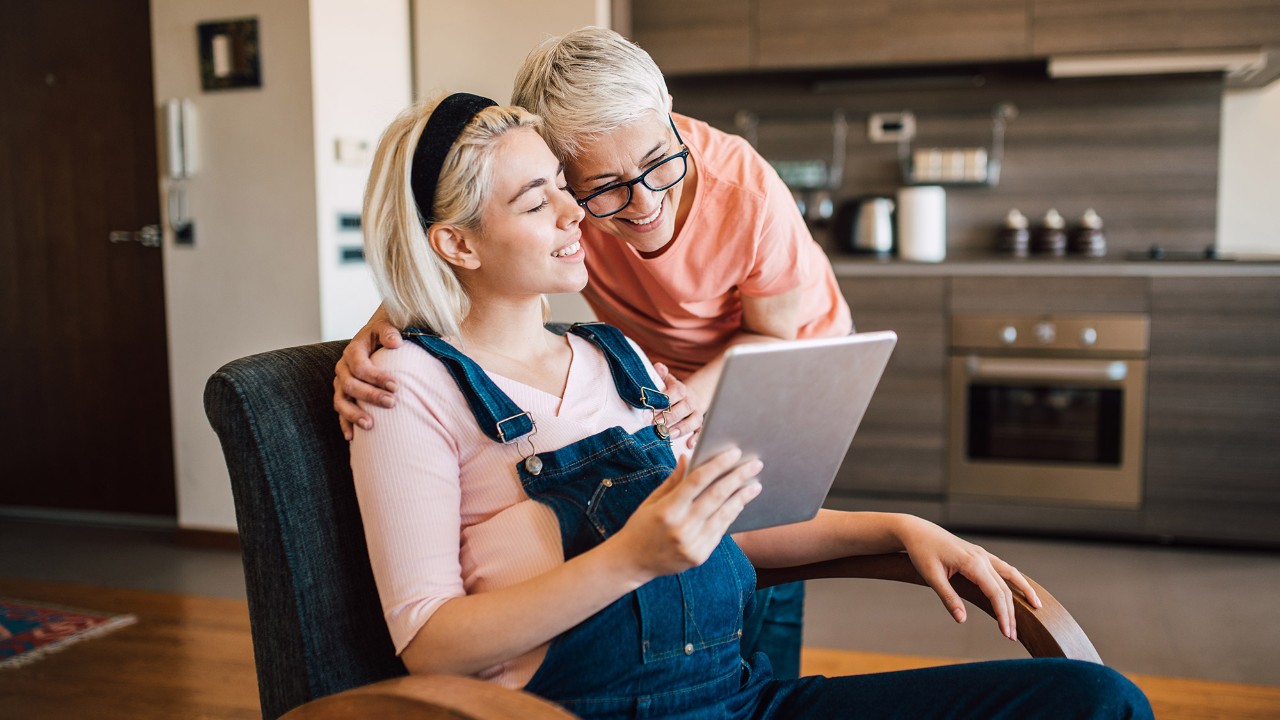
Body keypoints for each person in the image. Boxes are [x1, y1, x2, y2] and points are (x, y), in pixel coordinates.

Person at [347, 91, 1152, 719]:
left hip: (745, 701)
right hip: (582, 712)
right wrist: (631, 557)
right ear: (455, 243)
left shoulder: (617, 355)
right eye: (536, 202)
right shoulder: (404, 387)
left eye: (565, 187)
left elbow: (723, 528)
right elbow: (430, 647)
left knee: (1098, 701)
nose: (576, 212)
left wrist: (900, 530)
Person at [335, 26, 852, 678]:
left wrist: (681, 397)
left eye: (661, 162)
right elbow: (454, 219)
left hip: (775, 366)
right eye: (603, 186)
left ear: (668, 109)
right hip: (651, 374)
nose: (645, 202)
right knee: (663, 540)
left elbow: (773, 335)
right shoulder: (569, 191)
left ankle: (749, 680)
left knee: (752, 546)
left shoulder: (742, 189)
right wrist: (373, 332)